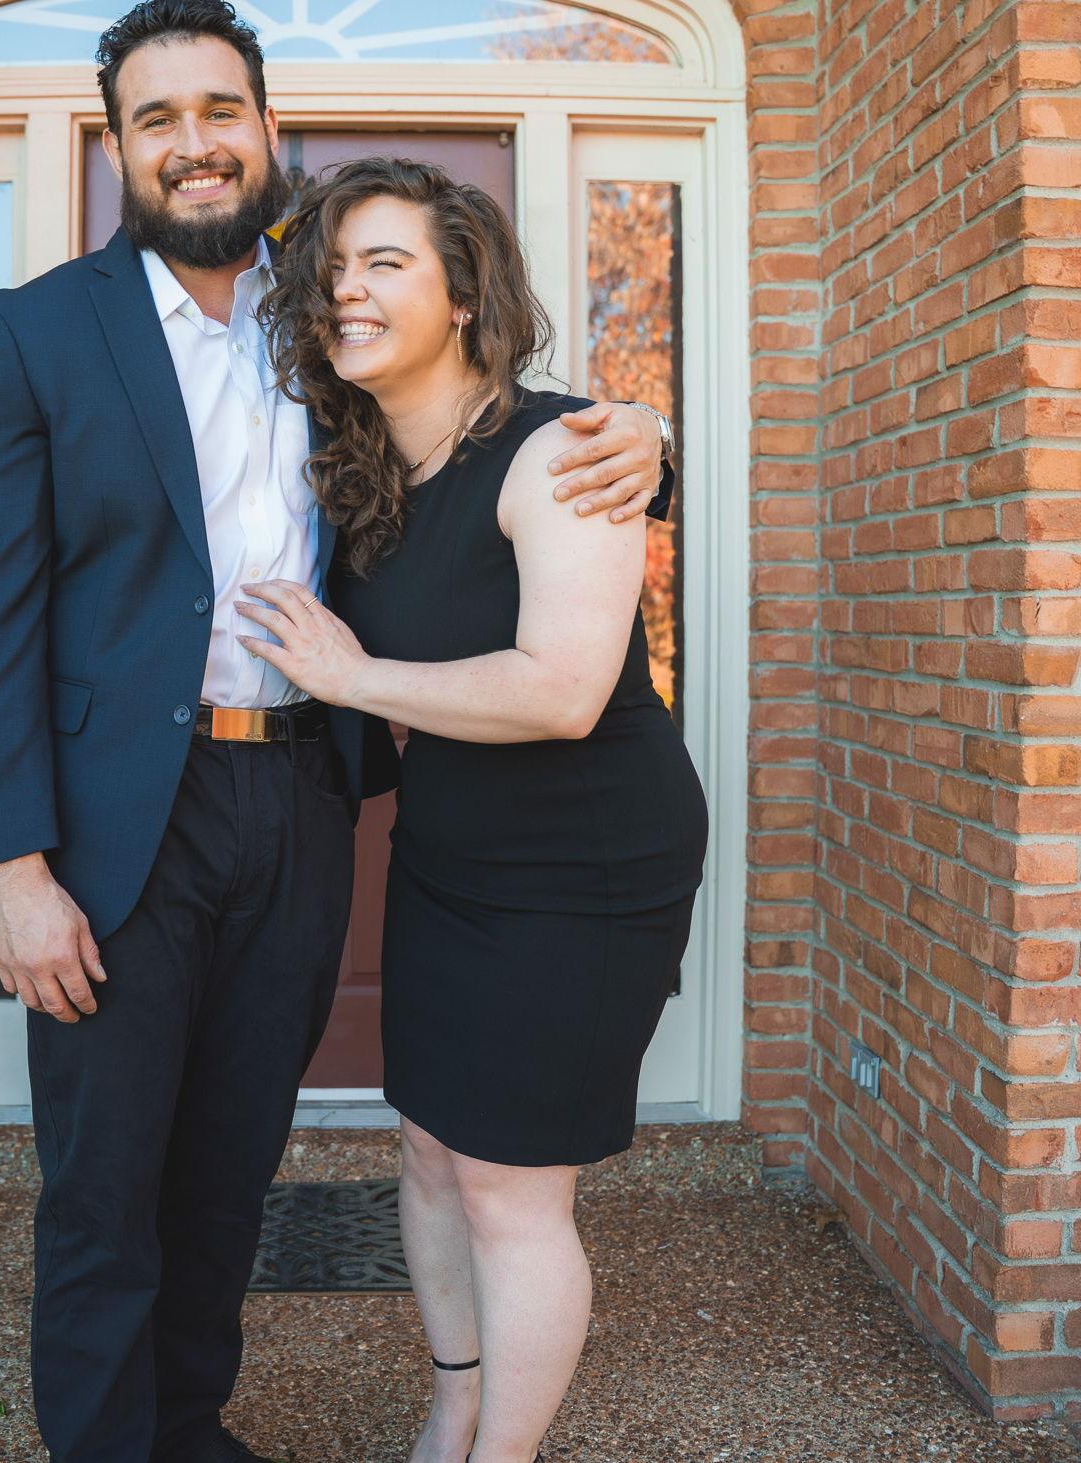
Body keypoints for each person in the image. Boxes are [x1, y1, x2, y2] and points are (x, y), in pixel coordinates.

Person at [0, 3, 675, 1460]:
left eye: (221, 110)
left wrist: (647, 439)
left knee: (230, 1167)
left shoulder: (327, 324)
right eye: (157, 119)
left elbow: (485, 439)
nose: (195, 144)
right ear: (119, 150)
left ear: (268, 130)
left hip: (296, 801)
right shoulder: (35, 335)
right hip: (117, 821)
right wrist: (13, 869)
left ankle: (188, 1428)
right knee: (106, 1181)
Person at [239, 157, 709, 1463]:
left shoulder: (560, 449)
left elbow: (561, 690)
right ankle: (455, 1407)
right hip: (451, 854)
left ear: (462, 296)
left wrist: (350, 677)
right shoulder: (361, 471)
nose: (348, 287)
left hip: (585, 862)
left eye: (385, 262)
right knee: (431, 1152)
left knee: (511, 1186)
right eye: (335, 267)